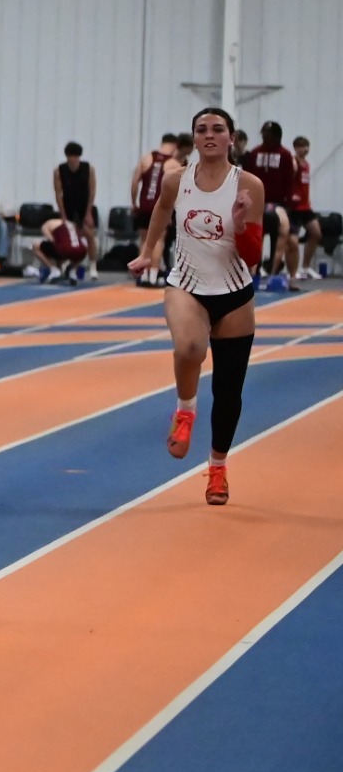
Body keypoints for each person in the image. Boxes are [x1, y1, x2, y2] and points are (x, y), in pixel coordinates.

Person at [129, 107, 263, 507]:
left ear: (231, 139)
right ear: (193, 138)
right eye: (201, 129)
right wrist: (149, 251)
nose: (209, 135)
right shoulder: (176, 180)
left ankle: (217, 467)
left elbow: (253, 258)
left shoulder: (249, 185)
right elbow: (161, 211)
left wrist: (239, 225)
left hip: (235, 292)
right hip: (186, 285)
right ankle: (185, 410)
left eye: (217, 129)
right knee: (190, 348)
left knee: (228, 392)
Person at [241, 121, 298, 284]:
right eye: (263, 133)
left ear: (276, 135)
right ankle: (253, 272)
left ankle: (274, 271)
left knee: (282, 233)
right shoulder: (255, 153)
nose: (265, 136)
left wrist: (287, 204)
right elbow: (248, 176)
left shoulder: (285, 155)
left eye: (268, 133)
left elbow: (288, 181)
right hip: (257, 202)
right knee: (255, 236)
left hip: (278, 203)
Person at [131, 135, 178, 285]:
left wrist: (134, 203)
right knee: (158, 240)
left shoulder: (146, 159)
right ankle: (153, 275)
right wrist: (171, 210)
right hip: (160, 206)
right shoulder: (173, 163)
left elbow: (134, 183)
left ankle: (142, 275)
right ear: (174, 146)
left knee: (144, 240)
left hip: (144, 204)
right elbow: (177, 190)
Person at [54, 141, 99, 279]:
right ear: (67, 156)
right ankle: (61, 266)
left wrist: (88, 213)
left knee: (89, 235)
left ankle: (93, 266)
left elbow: (92, 191)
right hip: (68, 204)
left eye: (76, 157)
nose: (73, 159)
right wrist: (63, 215)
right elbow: (58, 194)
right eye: (71, 156)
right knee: (64, 236)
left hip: (84, 204)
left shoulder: (88, 169)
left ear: (80, 157)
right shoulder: (59, 170)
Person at [289, 135, 323, 280]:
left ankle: (306, 267)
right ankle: (293, 270)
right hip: (295, 208)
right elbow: (288, 181)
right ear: (296, 148)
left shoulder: (307, 164)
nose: (305, 149)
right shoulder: (293, 162)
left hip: (305, 207)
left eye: (306, 146)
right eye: (302, 146)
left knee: (316, 234)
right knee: (293, 241)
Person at [32, 216, 89, 284]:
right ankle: (73, 271)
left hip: (64, 250)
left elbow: (52, 241)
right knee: (76, 249)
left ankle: (53, 269)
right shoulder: (70, 223)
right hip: (81, 251)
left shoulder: (46, 224)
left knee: (35, 246)